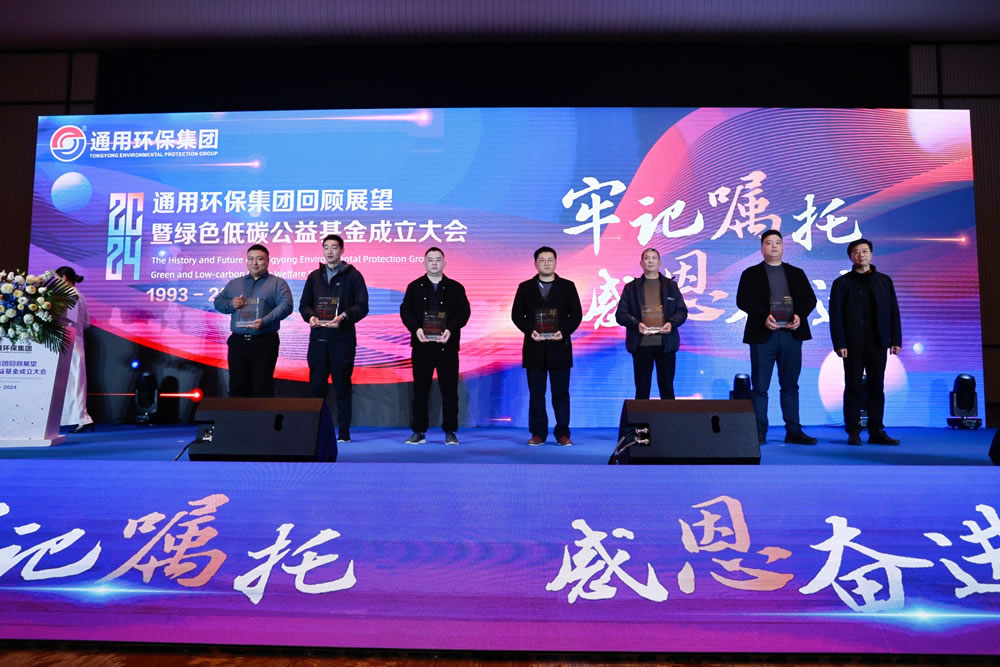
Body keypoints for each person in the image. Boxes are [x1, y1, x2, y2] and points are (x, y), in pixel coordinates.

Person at [736, 230, 818, 445]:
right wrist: (764, 316)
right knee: (760, 387)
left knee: (790, 385)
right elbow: (742, 301)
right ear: (762, 247)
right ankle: (758, 432)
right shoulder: (750, 273)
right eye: (769, 243)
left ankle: (793, 431)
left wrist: (800, 315)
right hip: (763, 336)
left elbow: (810, 299)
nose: (773, 246)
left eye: (777, 243)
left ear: (783, 246)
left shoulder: (796, 273)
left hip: (791, 335)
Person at [829, 238, 902, 445]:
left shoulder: (884, 281)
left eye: (864, 251)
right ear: (850, 256)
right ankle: (853, 430)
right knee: (852, 386)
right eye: (856, 252)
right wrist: (840, 343)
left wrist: (896, 339)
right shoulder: (841, 283)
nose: (860, 255)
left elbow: (893, 312)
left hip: (878, 342)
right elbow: (836, 316)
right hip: (852, 344)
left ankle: (876, 430)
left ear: (871, 254)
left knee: (876, 386)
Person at [299, 234, 369, 443]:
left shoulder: (353, 276)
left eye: (334, 247)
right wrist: (310, 317)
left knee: (342, 387)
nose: (330, 251)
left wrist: (344, 316)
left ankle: (344, 432)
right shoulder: (314, 277)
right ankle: (315, 431)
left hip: (342, 339)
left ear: (342, 250)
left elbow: (362, 306)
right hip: (318, 339)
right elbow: (304, 305)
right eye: (326, 247)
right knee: (316, 388)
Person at [399, 247, 471, 445]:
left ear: (444, 263)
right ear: (424, 263)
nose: (434, 263)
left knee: (449, 391)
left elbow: (464, 312)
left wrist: (450, 329)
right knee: (420, 391)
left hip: (447, 346)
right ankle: (419, 431)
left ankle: (450, 431)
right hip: (422, 346)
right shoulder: (414, 286)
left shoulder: (456, 287)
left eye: (438, 259)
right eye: (430, 259)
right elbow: (405, 311)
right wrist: (416, 329)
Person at [511, 246, 582, 446]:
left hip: (560, 346)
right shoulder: (525, 287)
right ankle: (538, 433)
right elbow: (517, 315)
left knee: (561, 394)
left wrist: (563, 331)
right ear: (535, 264)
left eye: (550, 260)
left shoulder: (567, 286)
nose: (546, 263)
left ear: (556, 262)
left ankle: (562, 433)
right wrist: (530, 330)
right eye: (542, 260)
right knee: (536, 394)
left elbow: (576, 314)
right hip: (534, 347)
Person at [213, 244, 293, 398]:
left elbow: (287, 305)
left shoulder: (277, 283)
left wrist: (265, 321)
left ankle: (263, 415)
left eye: (259, 259)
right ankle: (238, 414)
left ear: (268, 261)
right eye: (250, 259)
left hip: (264, 342)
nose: (254, 263)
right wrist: (231, 304)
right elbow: (218, 302)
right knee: (237, 386)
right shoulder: (235, 283)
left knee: (262, 387)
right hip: (238, 342)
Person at [615, 248, 688, 399]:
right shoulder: (631, 287)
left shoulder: (671, 286)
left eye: (654, 258)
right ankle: (642, 417)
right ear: (641, 263)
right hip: (641, 345)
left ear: (659, 262)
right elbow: (620, 315)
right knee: (642, 392)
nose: (650, 261)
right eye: (647, 258)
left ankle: (668, 416)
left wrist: (671, 323)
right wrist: (637, 324)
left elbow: (682, 311)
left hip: (666, 345)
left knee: (667, 391)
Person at [56, 267, 94, 433]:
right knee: (74, 382)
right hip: (73, 342)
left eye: (57, 279)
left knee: (74, 383)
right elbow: (86, 323)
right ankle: (80, 418)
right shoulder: (79, 295)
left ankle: (83, 418)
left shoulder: (70, 295)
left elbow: (70, 321)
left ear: (64, 278)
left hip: (69, 343)